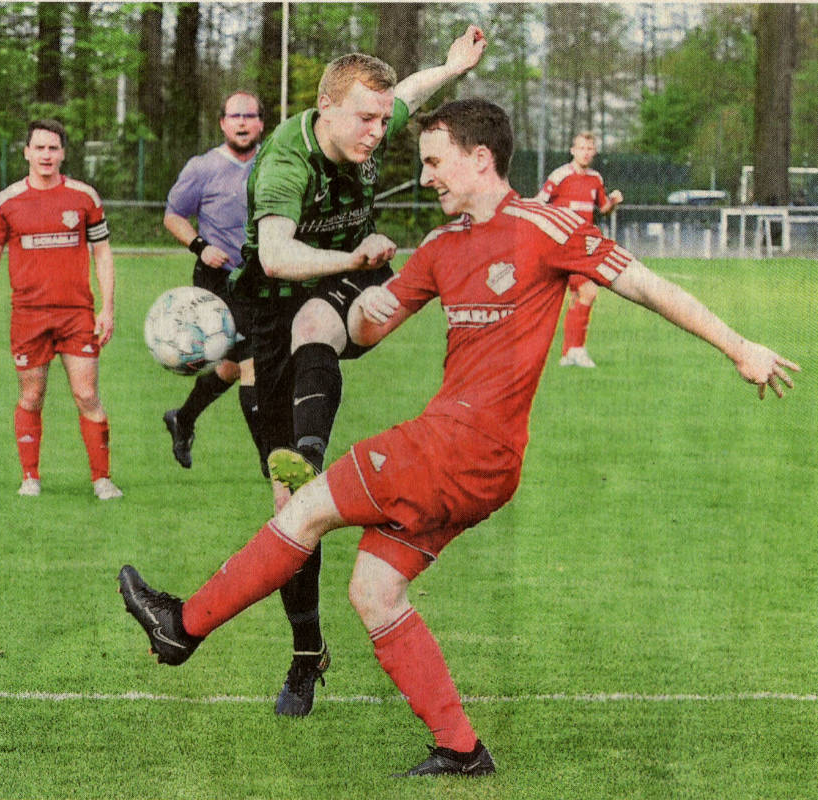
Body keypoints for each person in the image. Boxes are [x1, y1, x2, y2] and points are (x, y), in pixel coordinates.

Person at [118, 98, 799, 776]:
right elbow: (366, 331)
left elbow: (648, 286)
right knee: (374, 592)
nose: (426, 177)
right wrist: (358, 290)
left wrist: (739, 347)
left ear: (480, 158)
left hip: (461, 448)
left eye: (435, 162)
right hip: (474, 464)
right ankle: (460, 749)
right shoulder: (441, 248)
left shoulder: (545, 226)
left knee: (304, 506)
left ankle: (184, 627)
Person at [225, 24, 487, 718]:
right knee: (289, 513)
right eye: (365, 120)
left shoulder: (367, 116)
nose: (378, 130)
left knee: (318, 320)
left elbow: (407, 92)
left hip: (333, 298)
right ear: (326, 110)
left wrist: (452, 66)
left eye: (380, 119)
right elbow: (277, 256)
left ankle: (307, 453)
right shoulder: (287, 160)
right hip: (270, 309)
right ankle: (307, 653)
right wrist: (355, 256)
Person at [0, 119, 122, 501]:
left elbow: (102, 252)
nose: (46, 155)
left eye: (53, 148)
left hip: (76, 314)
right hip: (28, 316)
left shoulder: (84, 197)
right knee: (31, 396)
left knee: (87, 394)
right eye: (39, 148)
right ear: (26, 152)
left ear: (63, 153)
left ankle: (102, 479)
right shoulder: (7, 202)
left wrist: (107, 307)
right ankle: (30, 476)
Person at [162, 91, 265, 473]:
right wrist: (200, 246)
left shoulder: (273, 164)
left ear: (260, 124)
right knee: (253, 363)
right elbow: (173, 215)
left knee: (231, 367)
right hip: (218, 281)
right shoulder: (202, 168)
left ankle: (183, 419)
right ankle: (271, 458)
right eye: (234, 116)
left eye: (249, 115)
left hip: (261, 278)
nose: (241, 122)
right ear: (222, 123)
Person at [536, 130, 623, 368]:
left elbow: (603, 207)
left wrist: (614, 201)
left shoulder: (595, 179)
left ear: (593, 152)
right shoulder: (560, 175)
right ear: (572, 151)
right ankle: (573, 350)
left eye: (589, 149)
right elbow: (539, 203)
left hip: (581, 248)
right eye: (581, 148)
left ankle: (572, 352)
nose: (585, 153)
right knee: (581, 295)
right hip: (558, 248)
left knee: (583, 294)